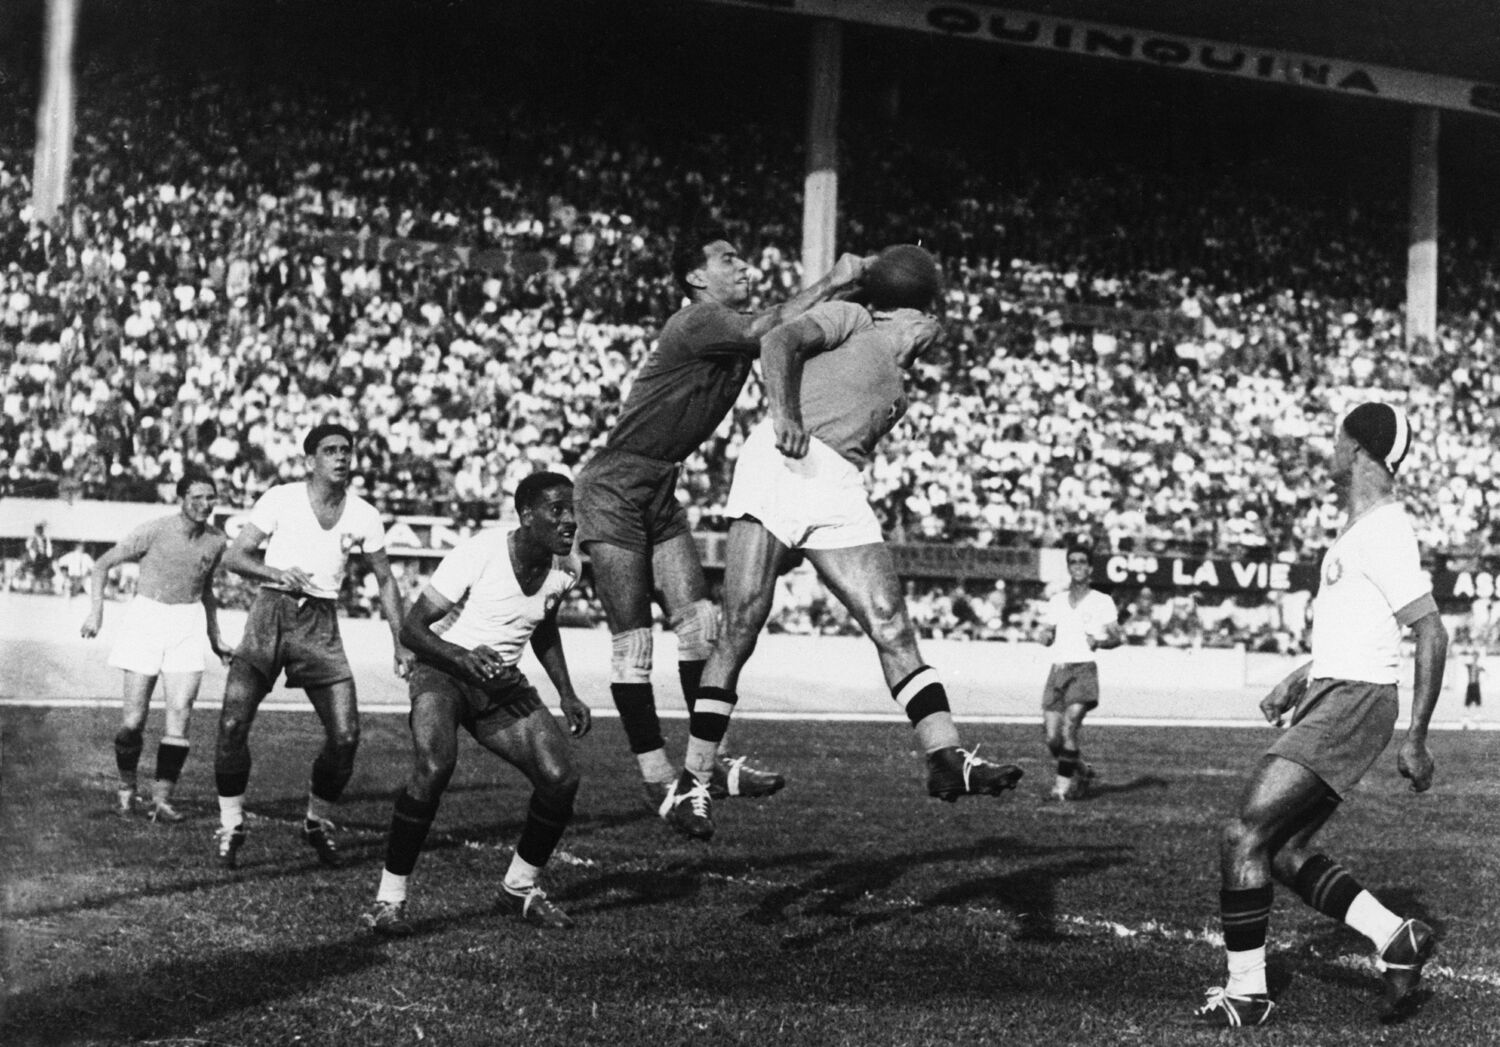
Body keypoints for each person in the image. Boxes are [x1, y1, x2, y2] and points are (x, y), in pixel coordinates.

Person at [662, 244, 1024, 840]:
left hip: (835, 482)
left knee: (891, 622)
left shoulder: (899, 378)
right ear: (897, 313)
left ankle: (945, 759)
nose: (931, 330)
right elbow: (777, 343)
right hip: (784, 460)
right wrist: (784, 414)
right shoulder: (853, 320)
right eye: (923, 317)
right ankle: (693, 780)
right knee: (742, 624)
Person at [573, 227, 866, 811]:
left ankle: (713, 764)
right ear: (695, 277)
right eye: (728, 259)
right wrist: (833, 281)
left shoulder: (731, 330)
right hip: (613, 486)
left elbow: (781, 336)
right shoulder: (696, 322)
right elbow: (766, 329)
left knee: (700, 628)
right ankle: (658, 778)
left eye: (742, 256)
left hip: (659, 484)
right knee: (634, 644)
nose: (744, 266)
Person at [1193, 402, 1446, 1028]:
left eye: (1337, 437)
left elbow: (1431, 632)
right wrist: (1297, 677)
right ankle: (1396, 937)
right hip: (1335, 691)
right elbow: (1360, 630)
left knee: (1242, 834)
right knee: (1281, 850)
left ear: (1358, 448)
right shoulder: (1361, 529)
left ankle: (1247, 993)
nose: (1329, 447)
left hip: (1354, 701)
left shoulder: (1386, 528)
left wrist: (1416, 737)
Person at [363, 472, 591, 937]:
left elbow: (543, 625)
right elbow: (413, 629)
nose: (569, 520)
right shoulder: (479, 552)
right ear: (526, 517)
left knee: (560, 778)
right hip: (443, 671)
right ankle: (389, 899)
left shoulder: (568, 568)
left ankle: (519, 888)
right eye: (557, 510)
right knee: (434, 765)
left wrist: (566, 692)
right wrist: (462, 658)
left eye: (572, 509)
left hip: (500, 682)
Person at [212, 423, 414, 870]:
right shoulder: (280, 498)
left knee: (345, 736)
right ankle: (231, 822)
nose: (340, 458)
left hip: (321, 623)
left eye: (346, 450)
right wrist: (276, 573)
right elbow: (234, 556)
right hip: (271, 615)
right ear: (310, 461)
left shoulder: (364, 514)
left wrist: (400, 643)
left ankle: (317, 820)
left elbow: (385, 578)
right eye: (329, 451)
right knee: (231, 724)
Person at [81, 473, 234, 822]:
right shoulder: (154, 530)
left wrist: (215, 638)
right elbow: (103, 564)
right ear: (180, 498)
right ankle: (126, 788)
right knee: (134, 721)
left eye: (210, 498)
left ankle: (162, 799)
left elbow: (206, 590)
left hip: (188, 623)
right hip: (146, 620)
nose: (204, 504)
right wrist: (96, 614)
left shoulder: (215, 541)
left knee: (180, 714)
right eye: (196, 497)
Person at [1037, 543, 1122, 800]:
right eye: (1073, 562)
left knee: (1070, 725)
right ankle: (1083, 771)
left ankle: (1060, 789)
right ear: (1068, 567)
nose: (1077, 566)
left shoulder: (1102, 601)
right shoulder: (1057, 601)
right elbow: (1049, 633)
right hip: (1058, 671)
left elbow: (1117, 638)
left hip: (1084, 670)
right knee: (1053, 739)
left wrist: (1100, 642)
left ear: (1090, 568)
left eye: (1082, 562)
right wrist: (1045, 635)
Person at [22, 523, 55, 593]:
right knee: (32, 572)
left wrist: (48, 555)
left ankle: (44, 588)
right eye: (38, 530)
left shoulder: (45, 538)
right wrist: (32, 553)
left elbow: (49, 548)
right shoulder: (32, 538)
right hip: (35, 557)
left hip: (43, 557)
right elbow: (28, 546)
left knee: (44, 572)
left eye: (40, 530)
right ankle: (30, 587)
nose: (39, 532)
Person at [1461, 645, 1483, 730]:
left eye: (1476, 655)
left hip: (1476, 686)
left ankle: (1477, 724)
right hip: (1470, 686)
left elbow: (1485, 673)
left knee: (1478, 704)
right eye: (1474, 655)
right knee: (1467, 705)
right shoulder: (1470, 665)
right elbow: (1463, 662)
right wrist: (1465, 652)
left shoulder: (1478, 666)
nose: (1475, 657)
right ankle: (1465, 723)